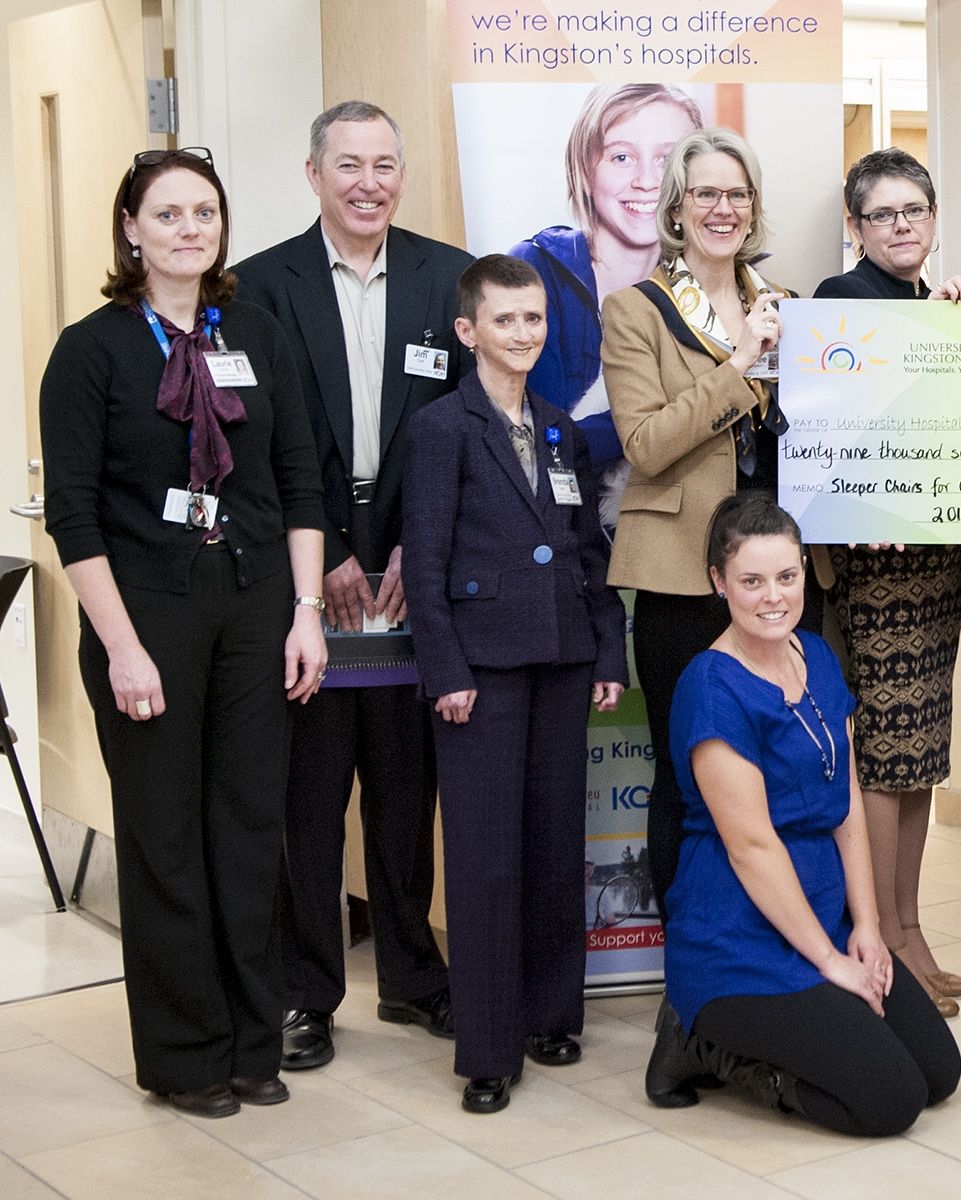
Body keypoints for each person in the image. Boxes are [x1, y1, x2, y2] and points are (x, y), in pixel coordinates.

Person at [39, 147, 328, 1117]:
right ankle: (188, 1056)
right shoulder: (92, 349)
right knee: (165, 841)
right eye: (168, 214)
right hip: (145, 616)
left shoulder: (256, 329)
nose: (189, 229)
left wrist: (306, 614)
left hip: (254, 610)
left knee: (249, 832)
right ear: (131, 228)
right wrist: (119, 645)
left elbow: (298, 481)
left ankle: (254, 1042)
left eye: (204, 212)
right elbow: (72, 516)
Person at [234, 99, 470, 1071]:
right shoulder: (259, 286)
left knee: (406, 793)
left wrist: (422, 540)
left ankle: (414, 977)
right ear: (314, 173)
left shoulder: (444, 275)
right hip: (311, 582)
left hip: (414, 581)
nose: (368, 182)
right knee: (309, 798)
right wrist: (323, 543)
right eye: (349, 165)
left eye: (384, 164)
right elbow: (258, 436)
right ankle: (308, 996)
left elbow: (461, 420)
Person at [642, 494, 960, 1135]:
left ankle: (818, 987)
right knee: (891, 1100)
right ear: (718, 583)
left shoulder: (815, 654)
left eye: (786, 577)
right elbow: (752, 848)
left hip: (825, 913)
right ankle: (703, 1045)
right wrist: (830, 961)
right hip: (738, 938)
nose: (773, 598)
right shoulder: (710, 686)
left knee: (937, 1073)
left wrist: (868, 929)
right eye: (751, 581)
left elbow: (845, 807)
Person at [402, 254, 628, 1113]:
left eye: (535, 320)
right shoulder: (442, 429)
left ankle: (550, 1013)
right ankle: (490, 1047)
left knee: (552, 841)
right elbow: (423, 566)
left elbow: (586, 555)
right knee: (486, 855)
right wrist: (446, 671)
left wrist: (607, 651)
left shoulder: (559, 426)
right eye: (506, 321)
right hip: (482, 671)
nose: (524, 334)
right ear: (469, 332)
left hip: (564, 657)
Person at [600, 128, 812, 919]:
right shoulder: (635, 312)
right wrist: (735, 368)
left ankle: (782, 948)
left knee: (786, 766)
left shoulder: (789, 307)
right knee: (689, 768)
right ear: (677, 211)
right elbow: (646, 445)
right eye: (706, 194)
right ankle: (691, 964)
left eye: (738, 194)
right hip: (684, 578)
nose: (724, 209)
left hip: (786, 577)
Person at [814, 147, 961, 1019]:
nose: (902, 227)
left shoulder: (932, 304)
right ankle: (880, 935)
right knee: (883, 759)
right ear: (856, 227)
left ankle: (912, 928)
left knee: (918, 760)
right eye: (883, 215)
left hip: (935, 566)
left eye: (914, 210)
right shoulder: (841, 306)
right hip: (875, 573)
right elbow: (835, 441)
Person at [510, 84, 705, 526]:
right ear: (585, 166)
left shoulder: (716, 288)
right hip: (553, 541)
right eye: (621, 157)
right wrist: (670, 416)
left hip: (676, 539)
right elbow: (544, 445)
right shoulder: (533, 271)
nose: (647, 180)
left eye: (668, 159)